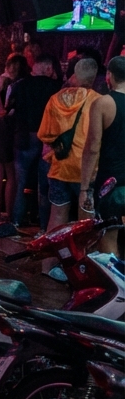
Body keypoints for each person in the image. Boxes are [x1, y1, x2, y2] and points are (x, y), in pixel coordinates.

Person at [40, 58, 100, 236]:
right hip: (88, 172)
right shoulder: (98, 101)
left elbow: (43, 134)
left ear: (75, 74)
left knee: (57, 218)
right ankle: (84, 262)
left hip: (60, 169)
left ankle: (52, 263)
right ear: (94, 78)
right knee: (87, 223)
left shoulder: (55, 99)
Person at [81, 57, 125, 254]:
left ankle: (116, 284)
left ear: (110, 76)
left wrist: (84, 188)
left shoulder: (103, 103)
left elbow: (92, 148)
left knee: (108, 236)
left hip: (112, 184)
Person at [0, 55, 27, 235]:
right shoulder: (10, 85)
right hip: (5, 128)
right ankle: (9, 216)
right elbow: (8, 109)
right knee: (11, 174)